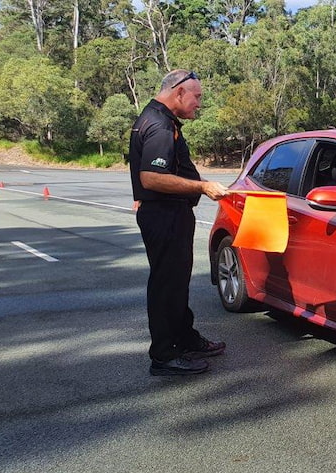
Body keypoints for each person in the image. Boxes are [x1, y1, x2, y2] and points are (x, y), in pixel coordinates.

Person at [129, 69, 229, 376]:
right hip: (165, 215)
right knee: (166, 285)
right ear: (178, 92)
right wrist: (202, 186)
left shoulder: (159, 119)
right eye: (196, 96)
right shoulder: (159, 126)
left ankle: (184, 337)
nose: (199, 103)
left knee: (176, 281)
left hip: (168, 214)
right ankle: (164, 354)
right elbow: (152, 177)